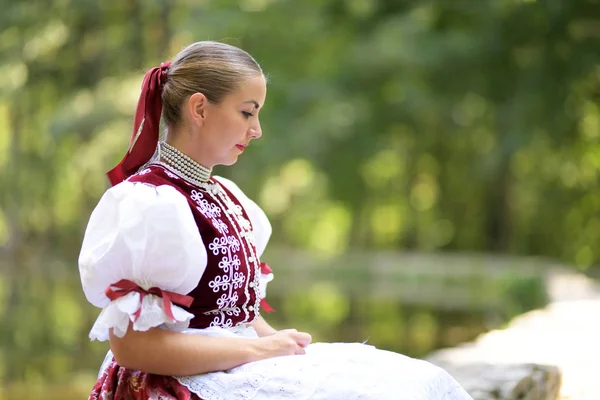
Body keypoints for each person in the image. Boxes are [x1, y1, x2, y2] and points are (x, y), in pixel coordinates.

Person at [78, 41, 473, 400]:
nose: (257, 129)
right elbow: (131, 347)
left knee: (415, 381)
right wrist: (258, 349)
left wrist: (278, 342)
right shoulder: (148, 204)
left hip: (233, 363)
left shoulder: (228, 198)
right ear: (199, 108)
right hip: (175, 381)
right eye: (247, 112)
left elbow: (235, 318)